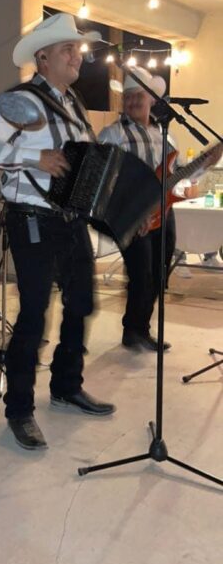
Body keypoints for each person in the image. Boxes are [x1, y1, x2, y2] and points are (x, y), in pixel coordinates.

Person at [0, 12, 115, 452]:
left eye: (78, 49)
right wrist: (35, 158)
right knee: (33, 315)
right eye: (68, 49)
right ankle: (19, 410)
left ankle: (67, 385)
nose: (77, 56)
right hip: (31, 217)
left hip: (69, 219)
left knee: (82, 301)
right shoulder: (23, 100)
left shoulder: (73, 104)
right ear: (43, 58)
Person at [98, 68, 222, 351]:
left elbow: (179, 177)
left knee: (159, 273)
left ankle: (140, 329)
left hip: (164, 213)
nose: (132, 102)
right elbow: (103, 180)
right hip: (133, 217)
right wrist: (129, 213)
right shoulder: (112, 134)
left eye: (138, 95)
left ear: (152, 99)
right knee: (141, 274)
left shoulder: (166, 136)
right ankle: (133, 330)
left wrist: (207, 164)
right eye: (127, 97)